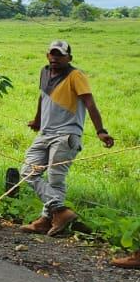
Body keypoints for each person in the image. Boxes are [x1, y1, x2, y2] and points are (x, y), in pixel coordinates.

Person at [18, 40, 114, 238]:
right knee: (27, 171)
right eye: (52, 54)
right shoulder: (44, 71)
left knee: (55, 178)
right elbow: (42, 97)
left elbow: (89, 102)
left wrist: (101, 131)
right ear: (47, 56)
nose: (55, 58)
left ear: (69, 58)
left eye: (60, 55)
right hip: (45, 133)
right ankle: (59, 212)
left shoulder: (75, 75)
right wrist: (37, 120)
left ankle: (47, 219)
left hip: (67, 134)